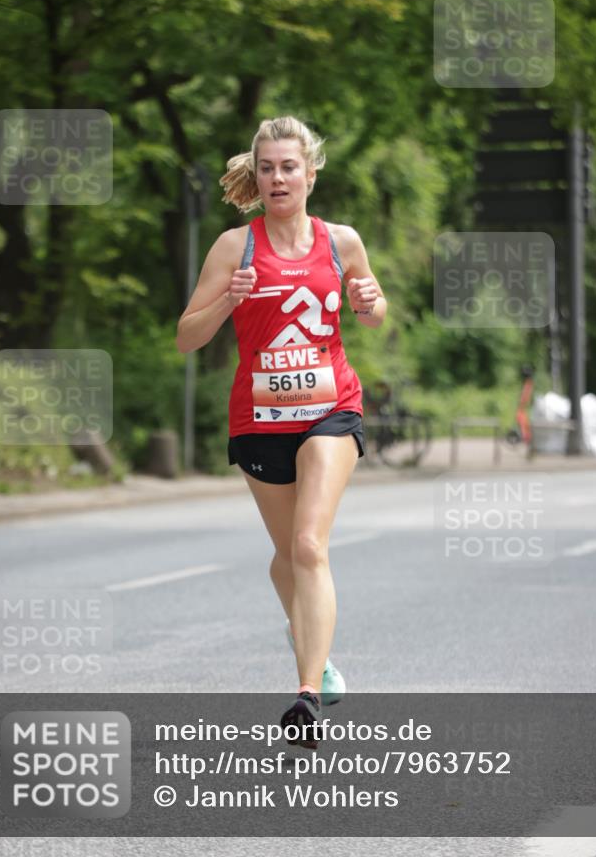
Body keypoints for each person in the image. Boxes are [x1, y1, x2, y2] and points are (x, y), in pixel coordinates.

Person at [176, 116, 387, 748]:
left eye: (288, 167)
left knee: (308, 545)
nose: (277, 178)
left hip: (331, 409)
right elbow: (188, 336)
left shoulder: (340, 242)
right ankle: (318, 656)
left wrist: (372, 302)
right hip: (259, 420)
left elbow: (373, 312)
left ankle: (304, 694)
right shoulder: (232, 248)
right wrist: (228, 300)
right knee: (285, 560)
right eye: (266, 168)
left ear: (310, 174)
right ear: (257, 175)